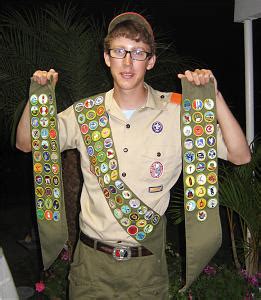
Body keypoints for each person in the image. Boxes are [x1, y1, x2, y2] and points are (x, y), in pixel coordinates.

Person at [16, 11, 251, 300]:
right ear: (107, 57)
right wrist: (37, 97)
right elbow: (27, 143)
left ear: (150, 61)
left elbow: (240, 156)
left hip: (147, 271)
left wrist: (214, 97)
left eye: (138, 52)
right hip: (91, 269)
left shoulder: (177, 113)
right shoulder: (85, 114)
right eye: (119, 51)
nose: (127, 62)